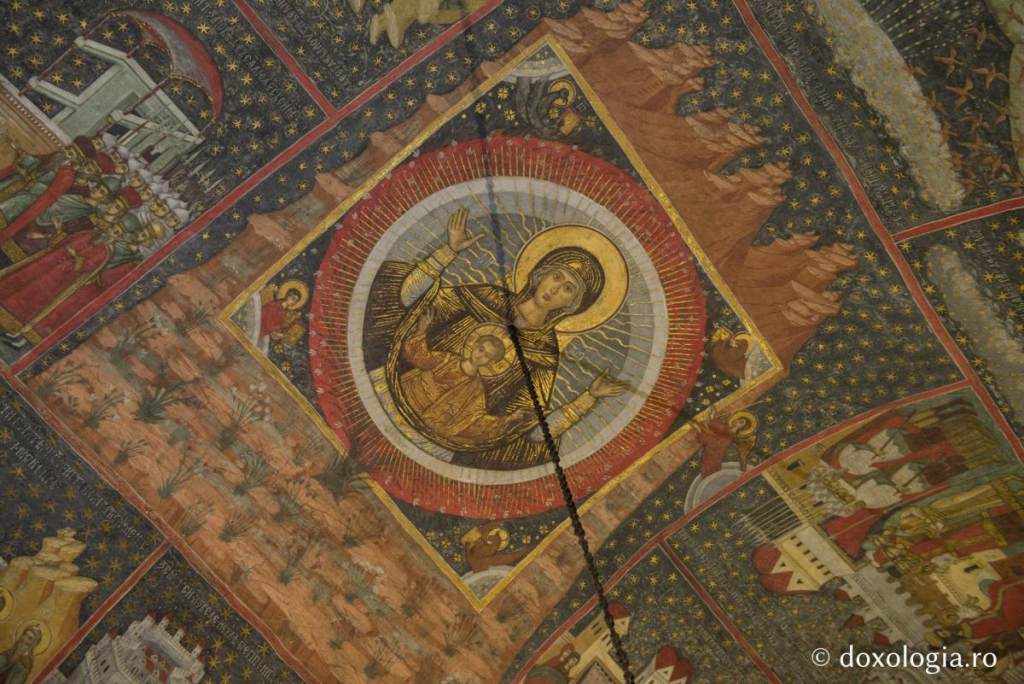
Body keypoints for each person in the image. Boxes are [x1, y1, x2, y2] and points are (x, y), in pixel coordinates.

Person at [366, 207, 629, 470]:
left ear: (573, 304)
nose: (555, 288)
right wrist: (449, 251)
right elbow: (411, 301)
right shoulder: (488, 297)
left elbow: (533, 431)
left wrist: (588, 398)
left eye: (568, 289)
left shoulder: (544, 354)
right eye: (556, 277)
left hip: (432, 443)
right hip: (387, 394)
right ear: (541, 274)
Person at [400, 307, 532, 445]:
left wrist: (509, 419)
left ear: (491, 363)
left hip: (430, 421)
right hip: (407, 396)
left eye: (487, 356)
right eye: (481, 349)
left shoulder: (476, 390)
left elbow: (474, 421)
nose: (480, 355)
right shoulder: (448, 358)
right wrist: (421, 329)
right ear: (475, 346)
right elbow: (421, 358)